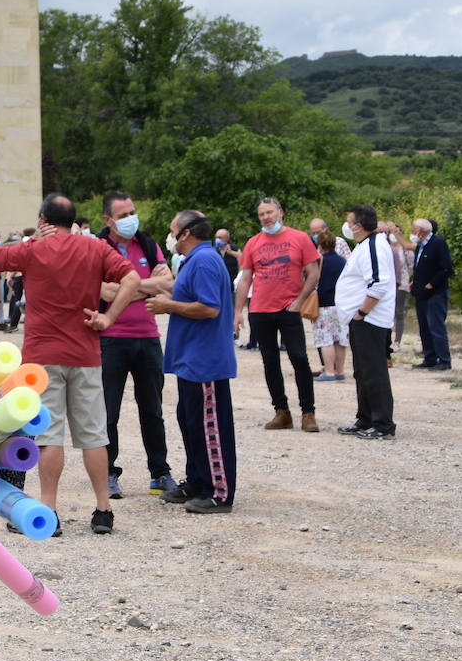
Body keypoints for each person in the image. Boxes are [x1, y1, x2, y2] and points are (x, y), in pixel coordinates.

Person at [0, 194, 141, 535]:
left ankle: (49, 511)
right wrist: (108, 317)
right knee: (94, 435)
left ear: (43, 219)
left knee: (49, 436)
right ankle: (102, 509)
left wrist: (30, 240)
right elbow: (132, 280)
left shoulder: (33, 250)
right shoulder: (95, 248)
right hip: (85, 352)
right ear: (74, 219)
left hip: (43, 355)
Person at [145, 211, 238, 514]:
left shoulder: (205, 260)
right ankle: (198, 481)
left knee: (210, 426)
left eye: (173, 230)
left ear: (186, 233)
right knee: (192, 423)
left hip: (205, 361)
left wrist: (167, 305)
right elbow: (189, 294)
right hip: (190, 359)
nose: (170, 236)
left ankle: (220, 493)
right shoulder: (194, 260)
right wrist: (162, 289)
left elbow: (209, 308)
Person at [96, 191, 178, 499]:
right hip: (110, 341)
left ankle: (160, 472)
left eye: (132, 211)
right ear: (108, 220)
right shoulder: (98, 248)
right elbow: (103, 292)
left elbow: (168, 283)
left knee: (153, 410)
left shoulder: (148, 244)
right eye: (123, 214)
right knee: (108, 412)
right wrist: (147, 285)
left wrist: (127, 287)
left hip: (148, 338)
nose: (131, 218)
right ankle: (107, 473)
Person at [233, 197, 321, 432]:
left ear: (280, 212)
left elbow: (313, 272)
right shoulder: (253, 242)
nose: (266, 217)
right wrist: (238, 312)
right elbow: (245, 279)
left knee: (299, 358)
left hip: (288, 308)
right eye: (262, 214)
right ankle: (281, 412)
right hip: (260, 309)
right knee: (270, 361)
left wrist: (300, 300)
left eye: (270, 212)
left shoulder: (299, 238)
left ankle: (308, 412)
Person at [336, 206, 398, 439]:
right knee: (362, 372)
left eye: (349, 221)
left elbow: (379, 283)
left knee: (374, 371)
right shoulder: (364, 245)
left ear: (358, 225)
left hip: (370, 319)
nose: (347, 225)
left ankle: (383, 424)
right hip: (361, 319)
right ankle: (365, 419)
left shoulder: (374, 245)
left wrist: (361, 312)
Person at [410, 217, 453, 371]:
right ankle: (429, 357)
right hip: (421, 293)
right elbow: (420, 267)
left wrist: (431, 284)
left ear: (422, 231)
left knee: (436, 327)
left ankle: (444, 360)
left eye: (413, 229)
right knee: (424, 327)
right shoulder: (420, 246)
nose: (411, 232)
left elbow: (446, 269)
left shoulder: (437, 243)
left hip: (435, 293)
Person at [312, 229, 349, 382]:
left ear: (319, 244)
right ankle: (340, 370)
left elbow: (312, 280)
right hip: (341, 304)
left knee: (326, 339)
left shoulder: (319, 261)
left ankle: (329, 371)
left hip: (324, 303)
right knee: (340, 340)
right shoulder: (343, 261)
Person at [384, 222, 412, 353]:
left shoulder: (404, 249)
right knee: (387, 313)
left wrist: (410, 281)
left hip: (402, 284)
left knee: (399, 312)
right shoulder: (385, 247)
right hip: (388, 284)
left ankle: (397, 341)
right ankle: (387, 340)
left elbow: (411, 266)